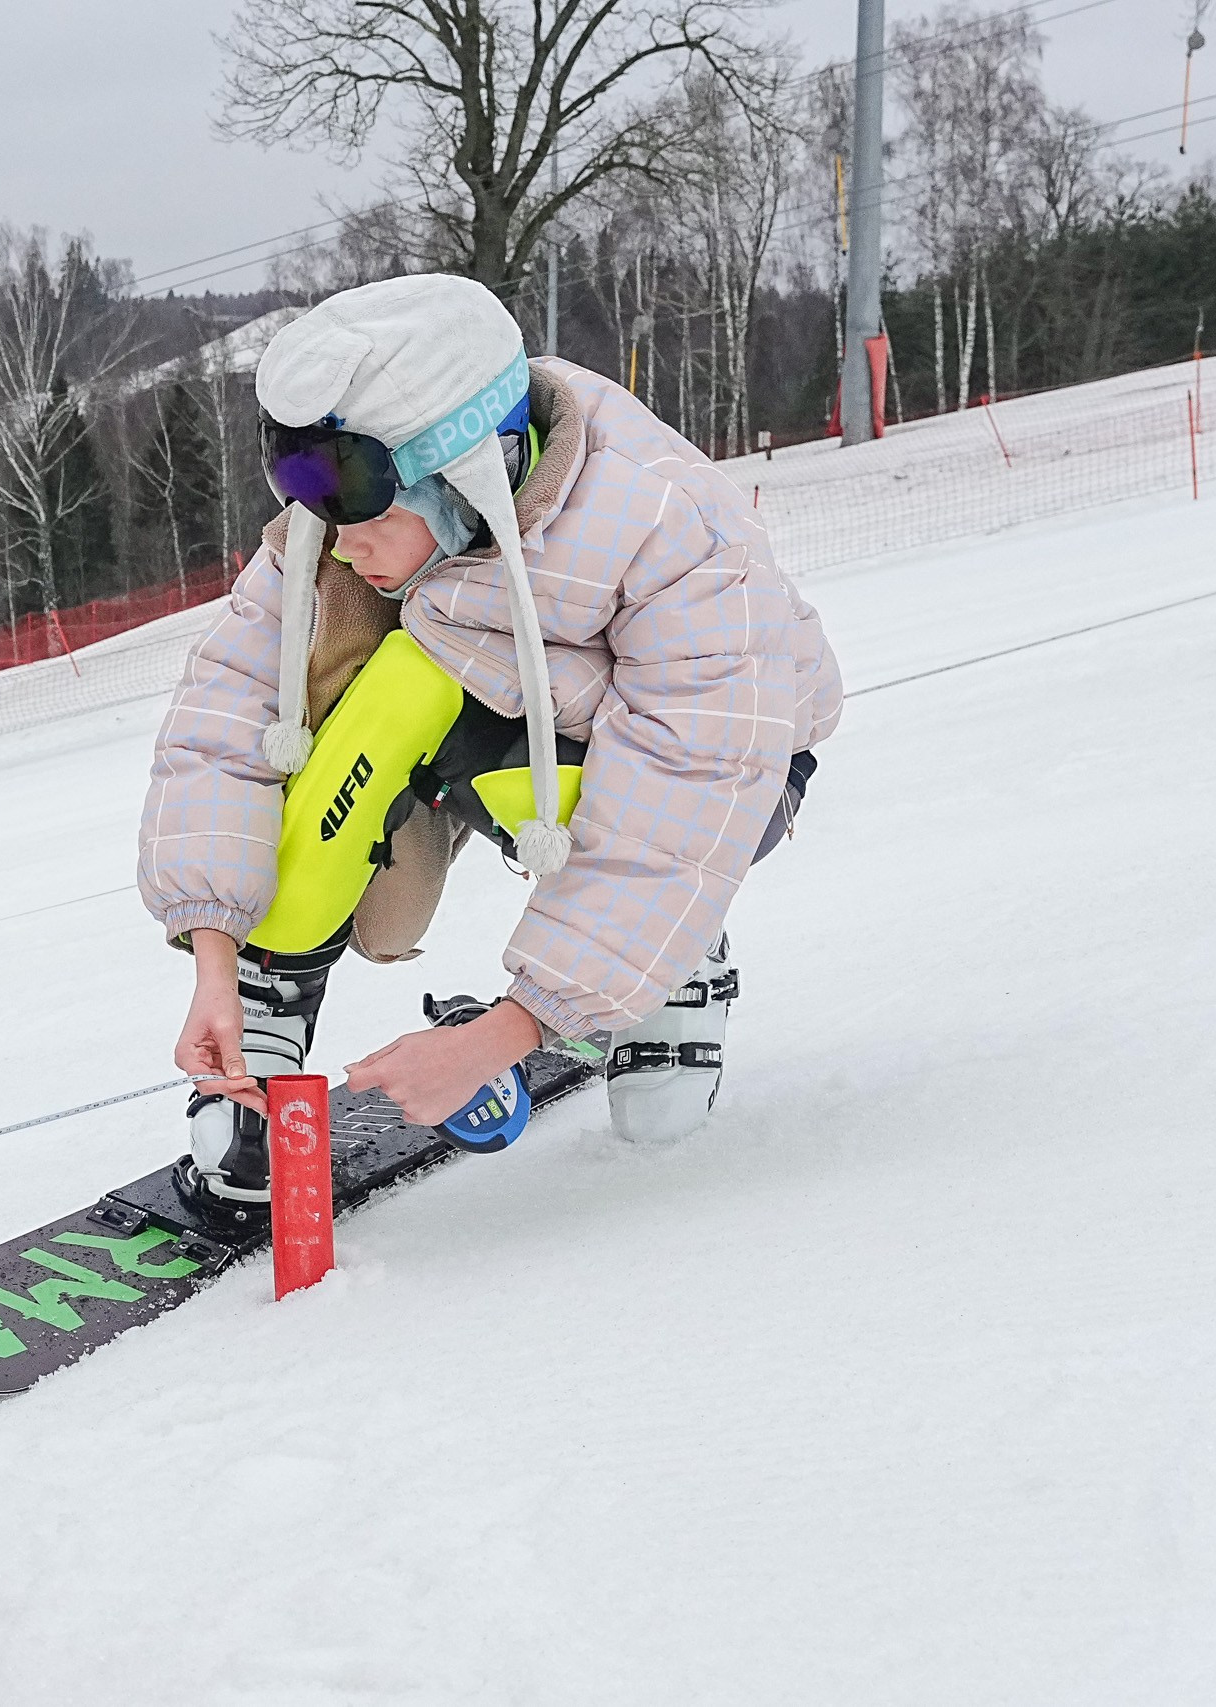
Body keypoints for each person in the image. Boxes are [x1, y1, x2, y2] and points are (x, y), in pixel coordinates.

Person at [136, 273, 842, 1214]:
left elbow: (690, 787)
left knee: (657, 1120)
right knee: (351, 671)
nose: (340, 546)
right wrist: (219, 957)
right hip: (498, 701)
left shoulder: (677, 540)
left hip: (733, 770)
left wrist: (508, 1033)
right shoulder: (338, 534)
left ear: (464, 482)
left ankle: (676, 959)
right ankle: (271, 1001)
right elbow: (224, 717)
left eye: (370, 519)